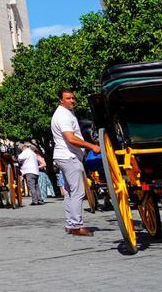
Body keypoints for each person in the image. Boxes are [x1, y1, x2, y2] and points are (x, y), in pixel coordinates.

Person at [51, 88, 99, 237]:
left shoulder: (65, 113)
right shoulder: (63, 115)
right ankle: (77, 226)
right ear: (61, 100)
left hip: (64, 156)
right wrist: (91, 146)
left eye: (73, 98)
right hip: (68, 157)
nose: (72, 100)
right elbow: (70, 138)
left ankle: (71, 224)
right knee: (78, 192)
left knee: (70, 192)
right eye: (68, 98)